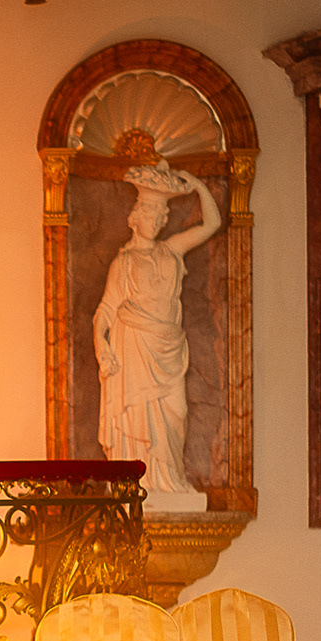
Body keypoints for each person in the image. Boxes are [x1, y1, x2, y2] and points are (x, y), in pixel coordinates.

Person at [93, 162, 221, 501]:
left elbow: (212, 224)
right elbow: (105, 310)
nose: (154, 222)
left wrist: (198, 185)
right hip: (133, 346)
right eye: (148, 215)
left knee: (177, 413)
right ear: (135, 218)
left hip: (168, 348)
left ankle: (170, 479)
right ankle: (138, 484)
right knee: (138, 415)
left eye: (159, 217)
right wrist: (100, 344)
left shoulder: (171, 250)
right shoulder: (123, 263)